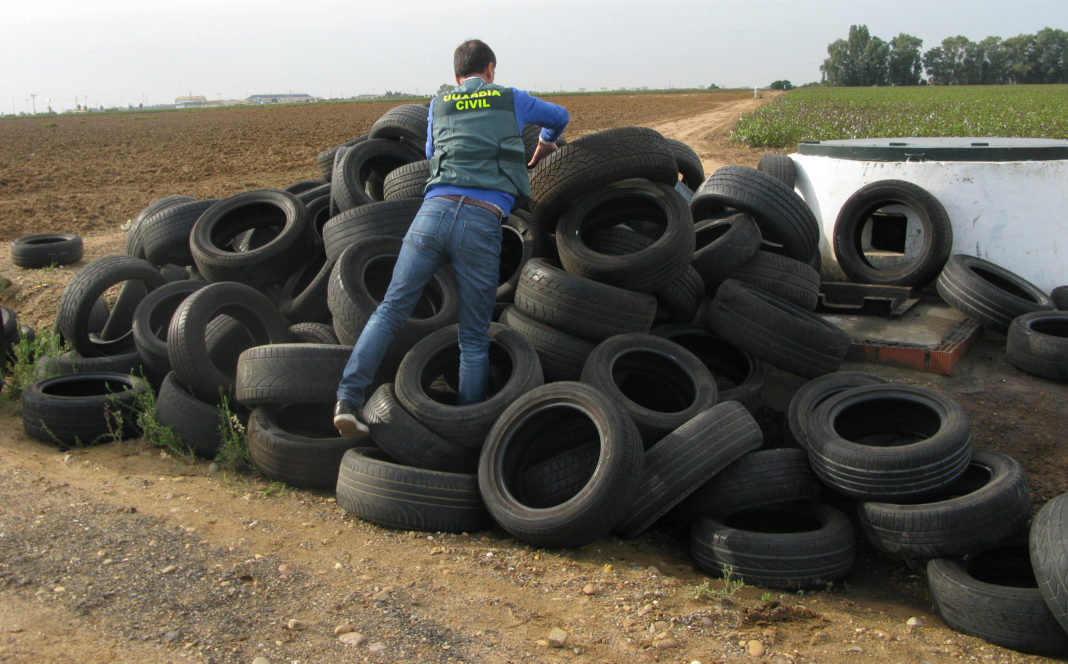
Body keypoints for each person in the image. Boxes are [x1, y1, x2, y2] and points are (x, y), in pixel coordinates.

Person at [333, 38, 570, 438]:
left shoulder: (439, 105)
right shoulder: (510, 98)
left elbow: (431, 151)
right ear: (491, 69)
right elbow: (561, 116)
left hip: (431, 214)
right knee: (474, 337)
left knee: (389, 311)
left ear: (456, 76)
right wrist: (545, 144)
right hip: (481, 221)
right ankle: (463, 430)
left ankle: (347, 399)